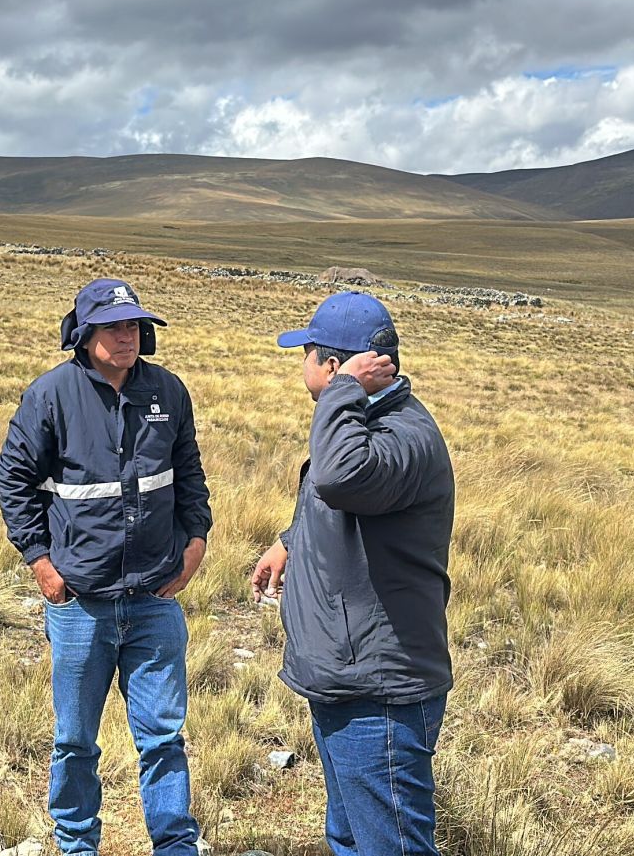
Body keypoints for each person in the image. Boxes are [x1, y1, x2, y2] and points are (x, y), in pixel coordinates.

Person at [0, 278, 211, 856]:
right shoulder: (51, 395)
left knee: (164, 738)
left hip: (154, 598)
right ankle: (76, 845)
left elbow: (189, 472)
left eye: (134, 326)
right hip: (80, 604)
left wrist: (196, 540)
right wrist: (40, 560)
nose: (126, 337)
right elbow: (13, 479)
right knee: (74, 741)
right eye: (113, 327)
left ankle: (174, 845)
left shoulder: (168, 391)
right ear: (85, 334)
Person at [250, 291, 456, 856]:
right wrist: (291, 541)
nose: (303, 364)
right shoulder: (368, 421)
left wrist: (342, 392)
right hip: (348, 673)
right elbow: (350, 505)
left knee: (389, 845)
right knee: (349, 836)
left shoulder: (402, 434)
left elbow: (340, 478)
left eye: (309, 353)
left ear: (336, 366)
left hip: (377, 687)